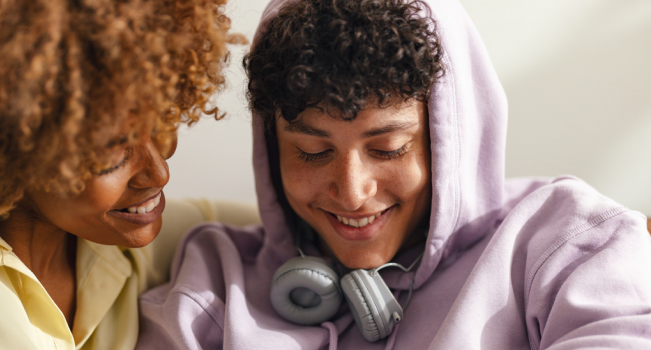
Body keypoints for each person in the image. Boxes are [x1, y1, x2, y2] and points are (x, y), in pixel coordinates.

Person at [136, 0, 651, 348]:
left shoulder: (568, 247)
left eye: (388, 148)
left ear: (451, 137)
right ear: (271, 147)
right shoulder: (213, 281)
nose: (353, 192)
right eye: (312, 152)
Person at [0, 0, 238, 349]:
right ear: (9, 144)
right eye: (111, 152)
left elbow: (286, 222)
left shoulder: (152, 241)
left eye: (161, 123)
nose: (159, 173)